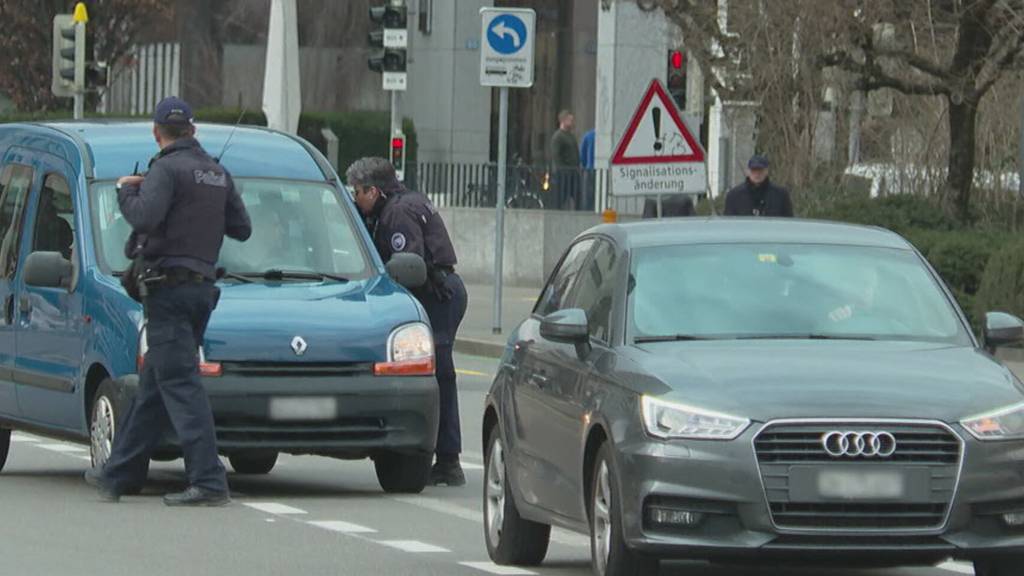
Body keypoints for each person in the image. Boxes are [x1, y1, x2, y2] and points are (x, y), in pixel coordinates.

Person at [85, 96, 252, 506]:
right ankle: (118, 474)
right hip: (200, 292)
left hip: (167, 292)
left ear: (156, 132)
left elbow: (145, 217)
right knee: (155, 387)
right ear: (193, 131)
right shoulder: (217, 171)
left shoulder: (164, 168)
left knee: (179, 383)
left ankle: (209, 481)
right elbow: (242, 228)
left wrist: (125, 192)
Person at [346, 157, 469, 487]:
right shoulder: (408, 200)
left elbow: (408, 266)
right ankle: (436, 454)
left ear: (374, 190)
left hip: (436, 295)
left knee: (438, 373)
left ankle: (447, 459)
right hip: (442, 289)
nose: (355, 198)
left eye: (357, 192)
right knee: (436, 372)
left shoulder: (397, 213)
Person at [724, 155, 794, 217]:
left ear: (767, 171)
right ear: (748, 171)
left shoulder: (781, 195)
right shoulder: (734, 196)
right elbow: (729, 225)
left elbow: (788, 223)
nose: (757, 174)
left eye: (760, 170)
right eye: (754, 170)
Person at [550, 110, 580, 210]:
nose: (572, 122)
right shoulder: (558, 137)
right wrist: (562, 169)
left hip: (573, 172)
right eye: (569, 120)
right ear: (563, 120)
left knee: (577, 196)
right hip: (563, 173)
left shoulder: (571, 136)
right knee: (561, 197)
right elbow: (556, 155)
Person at [579, 128, 596, 212]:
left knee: (589, 193)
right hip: (595, 168)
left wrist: (586, 165)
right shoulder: (591, 136)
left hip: (590, 168)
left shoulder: (588, 135)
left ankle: (589, 209)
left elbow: (582, 155)